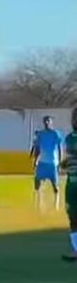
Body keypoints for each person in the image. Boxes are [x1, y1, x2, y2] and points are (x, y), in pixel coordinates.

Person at [31, 116, 64, 211]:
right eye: (45, 120)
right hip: (42, 162)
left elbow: (59, 148)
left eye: (48, 121)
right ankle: (38, 202)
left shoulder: (55, 134)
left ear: (51, 122)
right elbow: (37, 148)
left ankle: (56, 204)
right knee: (37, 182)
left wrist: (60, 162)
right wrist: (35, 161)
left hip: (52, 163)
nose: (46, 122)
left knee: (55, 186)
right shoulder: (40, 134)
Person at [62, 108, 77, 262]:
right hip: (71, 183)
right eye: (74, 117)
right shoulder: (68, 138)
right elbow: (69, 158)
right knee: (73, 217)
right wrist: (65, 163)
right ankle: (75, 249)